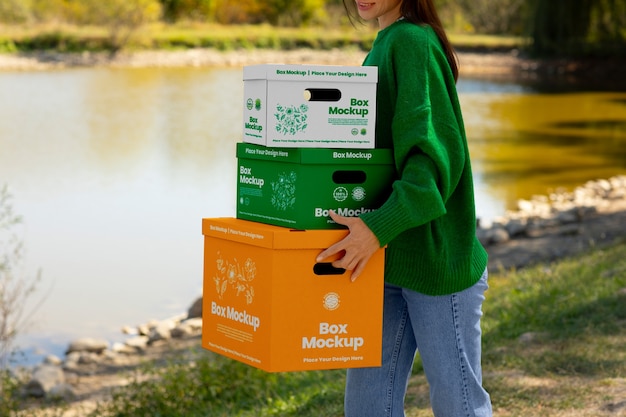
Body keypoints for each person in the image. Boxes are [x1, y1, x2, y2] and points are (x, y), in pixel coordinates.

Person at [315, 1, 493, 416]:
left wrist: (376, 227)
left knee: (459, 406)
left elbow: (431, 164)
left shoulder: (411, 41)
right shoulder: (385, 43)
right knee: (366, 407)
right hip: (385, 258)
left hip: (436, 262)